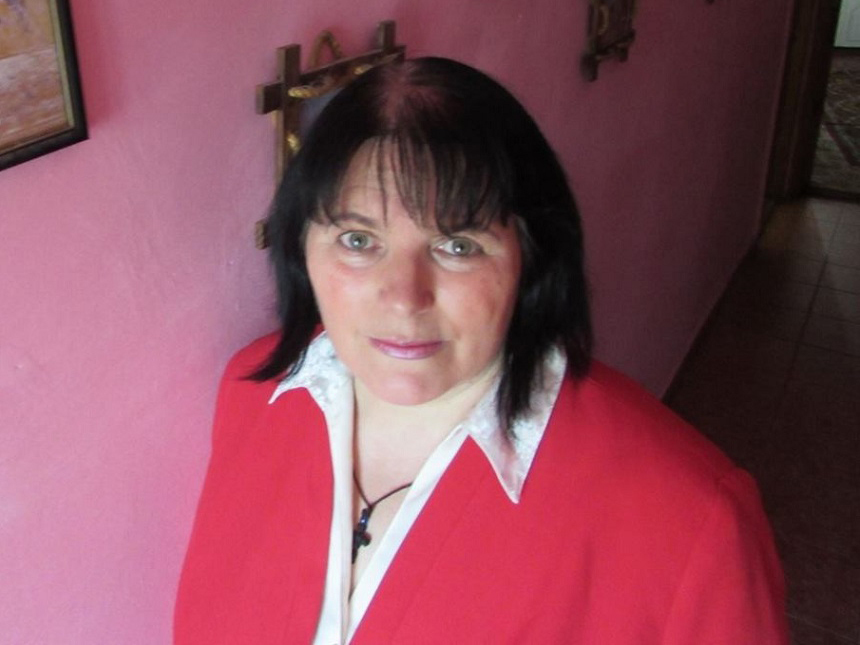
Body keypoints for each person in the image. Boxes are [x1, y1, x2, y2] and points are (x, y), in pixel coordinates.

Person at [174, 57, 788, 644]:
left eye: (457, 246)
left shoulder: (688, 517)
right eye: (358, 240)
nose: (404, 298)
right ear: (300, 248)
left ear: (531, 255)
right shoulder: (253, 396)